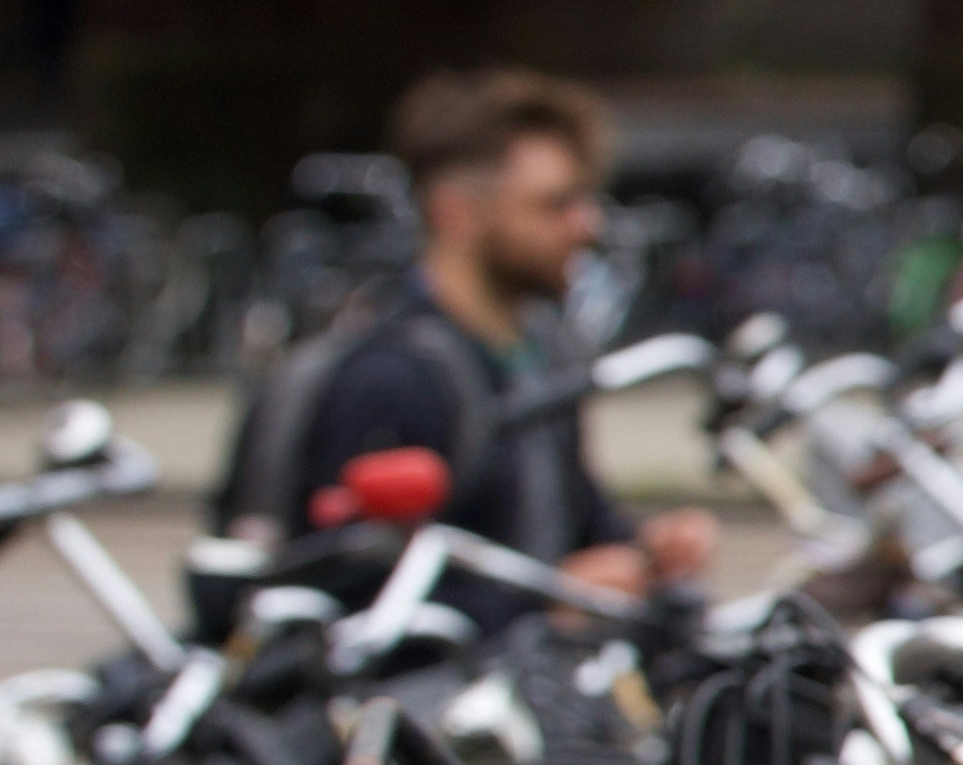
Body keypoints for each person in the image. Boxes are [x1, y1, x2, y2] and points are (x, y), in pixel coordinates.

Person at [224, 69, 711, 606]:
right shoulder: (391, 379)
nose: (587, 224)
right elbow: (353, 597)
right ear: (456, 212)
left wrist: (644, 551)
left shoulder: (542, 352)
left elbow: (567, 519)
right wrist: (551, 600)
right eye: (555, 205)